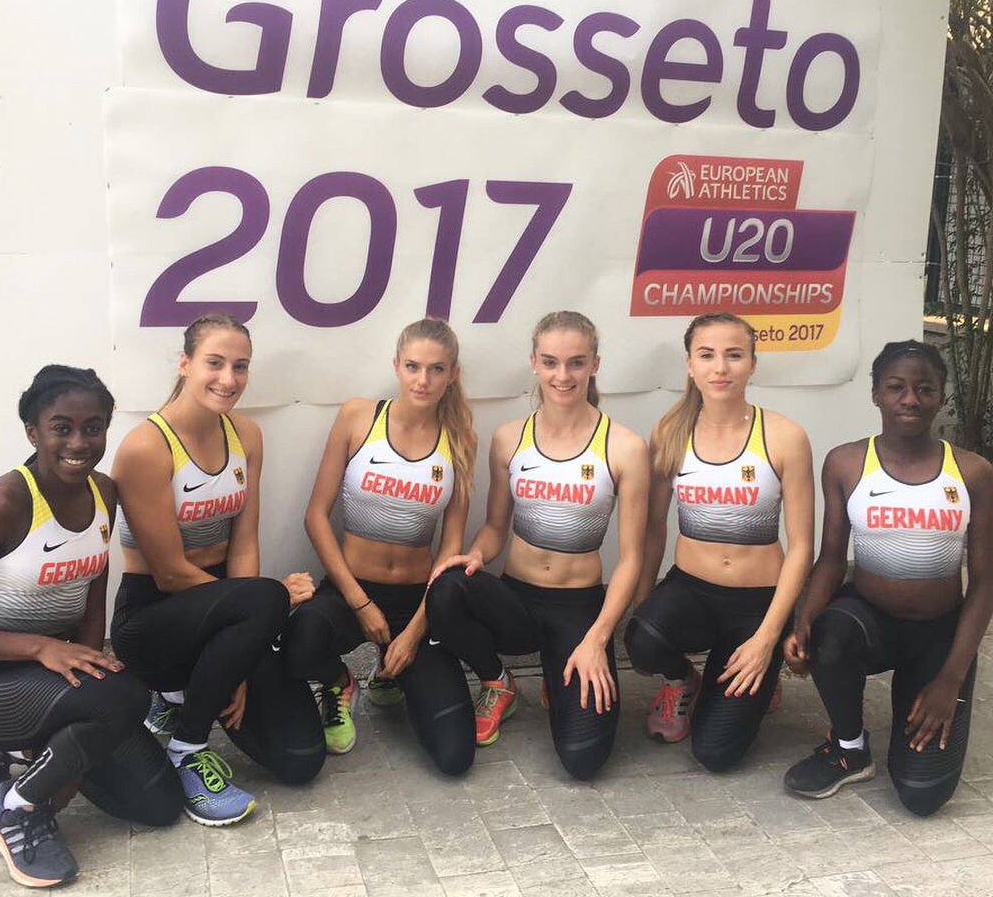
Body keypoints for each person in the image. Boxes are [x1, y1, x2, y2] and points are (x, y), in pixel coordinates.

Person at [0, 365, 182, 889]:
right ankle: (16, 807)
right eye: (62, 428)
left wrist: (89, 677)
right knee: (126, 697)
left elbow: (91, 599)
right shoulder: (1, 505)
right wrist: (43, 649)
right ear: (33, 432)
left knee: (158, 803)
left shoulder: (105, 493)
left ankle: (17, 748)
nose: (79, 443)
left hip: (50, 677)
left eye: (93, 427)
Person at [110, 312, 324, 826]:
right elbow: (169, 574)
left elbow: (244, 543)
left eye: (240, 366)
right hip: (154, 621)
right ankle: (187, 747)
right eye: (214, 363)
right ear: (184, 363)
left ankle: (181, 696)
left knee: (302, 759)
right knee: (267, 595)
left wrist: (243, 648)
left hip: (229, 611)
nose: (229, 378)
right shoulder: (146, 447)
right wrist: (256, 612)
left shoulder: (246, 435)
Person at [425, 310, 648, 780]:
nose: (562, 376)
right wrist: (476, 555)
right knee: (446, 587)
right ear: (534, 363)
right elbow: (495, 527)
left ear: (594, 365)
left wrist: (598, 639)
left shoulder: (624, 446)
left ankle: (558, 674)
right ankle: (497, 681)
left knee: (583, 760)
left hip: (578, 608)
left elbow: (632, 558)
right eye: (550, 362)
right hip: (517, 601)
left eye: (575, 363)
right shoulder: (510, 438)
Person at [783, 340, 993, 815]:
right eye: (896, 387)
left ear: (941, 396)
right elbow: (832, 558)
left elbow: (983, 583)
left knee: (922, 795)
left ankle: (916, 697)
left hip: (938, 633)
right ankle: (849, 748)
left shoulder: (973, 473)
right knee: (829, 634)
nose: (910, 399)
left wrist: (951, 679)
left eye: (925, 388)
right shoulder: (846, 462)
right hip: (869, 620)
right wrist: (804, 621)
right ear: (876, 393)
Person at [282, 318, 477, 774]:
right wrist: (360, 602)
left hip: (416, 602)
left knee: (455, 756)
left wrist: (414, 633)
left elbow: (450, 550)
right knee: (300, 641)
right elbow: (316, 516)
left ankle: (390, 674)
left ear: (453, 374)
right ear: (396, 365)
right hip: (351, 590)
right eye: (412, 366)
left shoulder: (461, 438)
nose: (422, 380)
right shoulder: (359, 416)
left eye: (436, 369)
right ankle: (339, 682)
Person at [625, 312, 814, 772]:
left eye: (734, 355)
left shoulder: (785, 437)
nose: (721, 368)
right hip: (692, 590)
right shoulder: (670, 432)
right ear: (690, 365)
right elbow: (654, 529)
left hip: (757, 604)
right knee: (641, 639)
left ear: (752, 363)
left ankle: (760, 676)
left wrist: (767, 639)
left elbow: (802, 546)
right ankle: (684, 682)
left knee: (714, 754)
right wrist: (644, 604)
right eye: (707, 355)